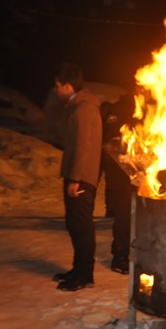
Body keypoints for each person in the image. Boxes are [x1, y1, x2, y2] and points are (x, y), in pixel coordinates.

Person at [52, 62, 103, 291]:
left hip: (81, 177)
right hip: (78, 175)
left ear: (67, 86)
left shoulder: (83, 109)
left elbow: (83, 146)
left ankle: (84, 276)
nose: (55, 90)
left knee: (81, 226)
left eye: (57, 86)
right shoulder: (78, 106)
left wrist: (75, 179)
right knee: (74, 225)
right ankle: (78, 269)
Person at [100, 93, 136, 275]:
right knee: (124, 218)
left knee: (132, 218)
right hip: (123, 178)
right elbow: (112, 144)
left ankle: (129, 256)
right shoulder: (121, 112)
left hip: (135, 177)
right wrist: (132, 170)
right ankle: (120, 258)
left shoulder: (143, 111)